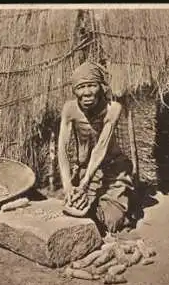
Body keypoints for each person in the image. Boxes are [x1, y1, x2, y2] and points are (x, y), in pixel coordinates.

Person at [57, 61, 135, 233]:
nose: (86, 93)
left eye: (91, 86)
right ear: (74, 90)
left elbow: (101, 148)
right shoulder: (69, 109)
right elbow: (62, 149)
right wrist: (68, 185)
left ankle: (124, 206)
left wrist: (84, 185)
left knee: (111, 222)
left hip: (113, 170)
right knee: (75, 209)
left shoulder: (113, 109)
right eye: (81, 87)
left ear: (101, 87)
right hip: (86, 171)